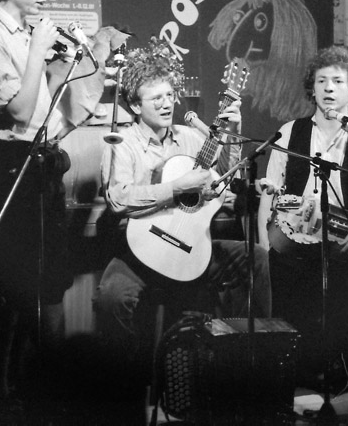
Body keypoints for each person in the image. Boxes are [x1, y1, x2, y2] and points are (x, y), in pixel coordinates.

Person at [0, 0, 113, 400]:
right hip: (15, 166)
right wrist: (36, 52)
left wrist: (72, 59)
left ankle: (51, 387)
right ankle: (20, 394)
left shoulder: (26, 32)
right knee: (26, 285)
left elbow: (50, 110)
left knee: (51, 281)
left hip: (43, 164)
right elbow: (21, 112)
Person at [93, 38, 271, 394]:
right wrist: (176, 188)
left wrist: (232, 132)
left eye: (169, 95)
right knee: (111, 298)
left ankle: (244, 366)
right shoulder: (122, 144)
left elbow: (225, 176)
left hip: (190, 246)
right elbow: (118, 199)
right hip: (139, 250)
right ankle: (125, 391)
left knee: (256, 258)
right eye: (155, 98)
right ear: (134, 105)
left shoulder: (192, 137)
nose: (166, 103)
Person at [257, 45, 348, 388]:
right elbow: (269, 192)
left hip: (344, 242)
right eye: (321, 81)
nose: (329, 88)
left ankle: (345, 374)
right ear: (312, 88)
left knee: (347, 314)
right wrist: (264, 244)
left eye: (337, 81)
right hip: (293, 245)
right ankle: (296, 376)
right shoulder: (289, 131)